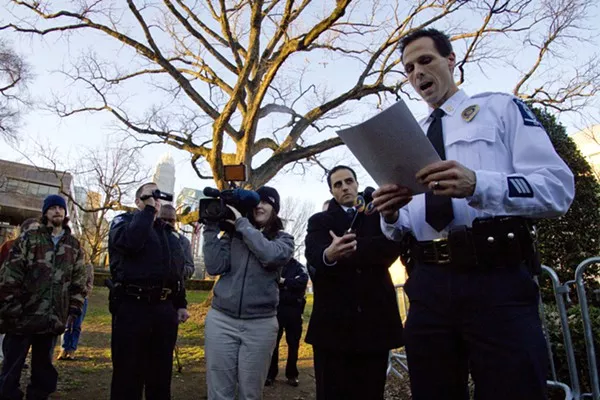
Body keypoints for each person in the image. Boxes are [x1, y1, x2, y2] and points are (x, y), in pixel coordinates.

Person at [372, 28, 575, 400]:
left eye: (426, 60)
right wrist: (389, 215)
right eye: (409, 67)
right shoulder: (405, 137)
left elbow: (557, 188)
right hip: (428, 287)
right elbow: (402, 227)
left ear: (451, 61)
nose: (417, 72)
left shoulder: (499, 109)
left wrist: (479, 184)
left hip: (495, 282)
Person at [304, 165, 404, 400]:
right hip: (333, 327)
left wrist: (352, 248)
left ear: (357, 184)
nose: (345, 187)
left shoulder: (379, 215)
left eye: (349, 181)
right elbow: (314, 254)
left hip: (375, 324)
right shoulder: (319, 221)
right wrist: (329, 255)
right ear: (331, 191)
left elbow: (391, 248)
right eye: (337, 184)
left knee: (371, 392)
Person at [203, 186, 294, 400]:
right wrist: (210, 229)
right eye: (256, 202)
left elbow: (270, 256)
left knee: (250, 393)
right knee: (218, 392)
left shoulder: (284, 239)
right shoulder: (234, 235)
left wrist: (242, 225)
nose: (259, 206)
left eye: (265, 202)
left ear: (275, 208)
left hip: (260, 324)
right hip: (221, 320)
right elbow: (215, 266)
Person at [108, 182, 190, 400]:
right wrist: (147, 212)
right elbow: (131, 243)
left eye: (157, 197)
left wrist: (180, 303)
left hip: (163, 310)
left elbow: (175, 269)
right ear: (137, 202)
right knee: (128, 373)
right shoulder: (123, 222)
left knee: (160, 373)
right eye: (148, 196)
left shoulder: (166, 232)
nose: (154, 200)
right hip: (133, 306)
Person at [0, 195, 87, 400]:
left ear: (65, 213)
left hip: (52, 320)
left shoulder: (73, 246)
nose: (57, 211)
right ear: (45, 212)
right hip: (22, 317)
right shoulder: (29, 239)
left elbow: (79, 280)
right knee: (11, 368)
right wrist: (10, 308)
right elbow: (10, 275)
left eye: (61, 208)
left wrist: (74, 307)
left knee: (43, 371)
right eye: (53, 208)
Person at [0, 218, 40, 366]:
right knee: (7, 329)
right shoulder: (10, 246)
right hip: (9, 295)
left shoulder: (41, 250)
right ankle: (5, 357)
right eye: (32, 229)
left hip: (29, 300)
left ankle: (16, 359)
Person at [266, 257, 309, 387]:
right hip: (277, 310)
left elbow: (302, 282)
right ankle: (270, 375)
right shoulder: (275, 265)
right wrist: (291, 283)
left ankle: (292, 375)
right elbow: (271, 282)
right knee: (273, 344)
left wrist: (284, 282)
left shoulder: (299, 266)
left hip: (294, 311)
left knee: (293, 344)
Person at [57, 262, 94, 361]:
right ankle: (64, 348)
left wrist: (85, 292)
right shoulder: (71, 262)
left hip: (82, 298)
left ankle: (72, 349)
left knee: (77, 325)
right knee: (67, 325)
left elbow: (90, 282)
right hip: (68, 297)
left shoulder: (88, 266)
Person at [158, 204, 195, 279]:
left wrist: (177, 269)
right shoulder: (148, 237)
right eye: (163, 219)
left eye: (170, 220)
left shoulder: (184, 242)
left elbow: (190, 268)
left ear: (175, 221)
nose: (167, 223)